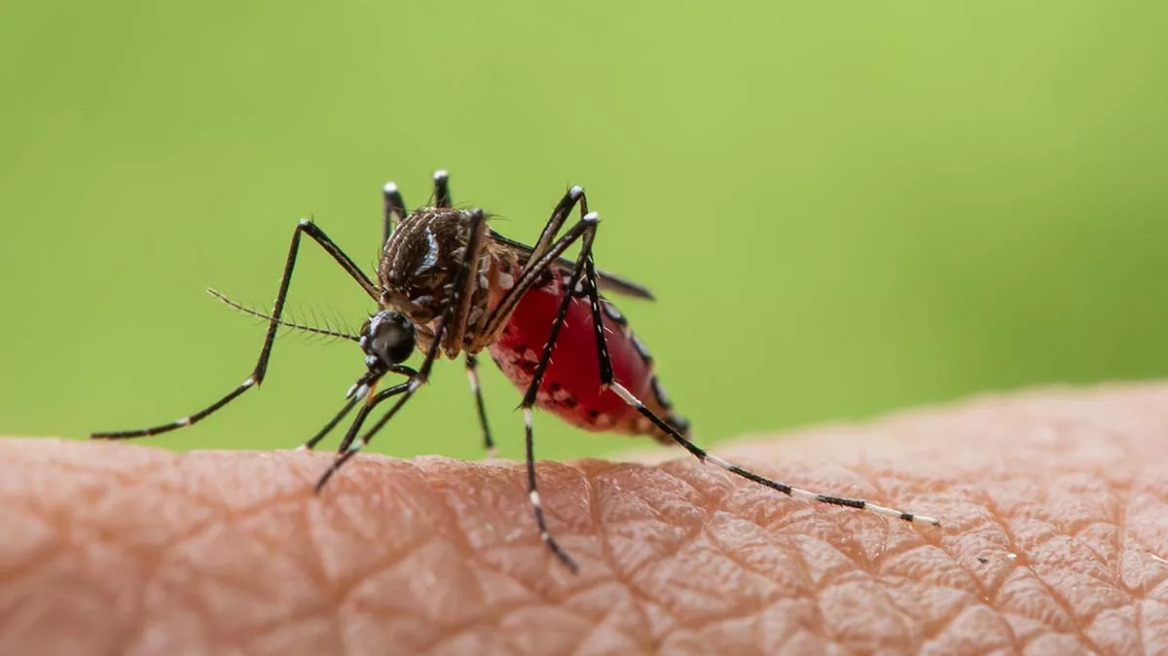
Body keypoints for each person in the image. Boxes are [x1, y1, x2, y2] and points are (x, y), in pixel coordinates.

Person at [2, 384, 1163, 655]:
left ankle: (577, 469)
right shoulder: (400, 311)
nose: (385, 369)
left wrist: (536, 490)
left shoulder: (468, 338)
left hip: (562, 334)